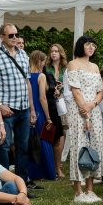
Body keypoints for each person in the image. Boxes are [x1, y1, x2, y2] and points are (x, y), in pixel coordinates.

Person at [0, 24, 35, 186]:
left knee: (23, 147)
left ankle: (22, 184)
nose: (14, 38)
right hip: (6, 110)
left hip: (24, 108)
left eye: (16, 34)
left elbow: (27, 82)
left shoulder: (23, 54)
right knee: (4, 148)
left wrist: (32, 108)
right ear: (2, 37)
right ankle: (6, 184)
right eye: (11, 35)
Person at [67, 36, 103, 203]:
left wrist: (93, 104)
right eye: (88, 44)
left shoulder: (95, 67)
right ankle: (78, 191)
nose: (91, 47)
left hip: (94, 110)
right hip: (78, 110)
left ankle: (90, 189)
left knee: (94, 146)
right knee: (79, 145)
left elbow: (101, 91)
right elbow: (75, 91)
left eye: (93, 45)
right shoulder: (73, 64)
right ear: (81, 46)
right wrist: (85, 109)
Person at [26, 50, 57, 182]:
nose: (44, 64)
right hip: (39, 109)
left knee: (31, 142)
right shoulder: (41, 76)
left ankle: (32, 172)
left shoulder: (26, 75)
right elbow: (43, 98)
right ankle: (46, 171)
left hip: (28, 109)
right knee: (43, 139)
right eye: (44, 61)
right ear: (39, 61)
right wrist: (48, 117)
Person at [46, 44, 68, 178]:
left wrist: (62, 88)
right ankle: (51, 166)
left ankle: (58, 165)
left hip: (64, 103)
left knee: (62, 133)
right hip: (50, 104)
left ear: (61, 53)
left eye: (56, 51)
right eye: (52, 51)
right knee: (50, 134)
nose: (54, 53)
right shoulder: (46, 67)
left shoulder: (66, 68)